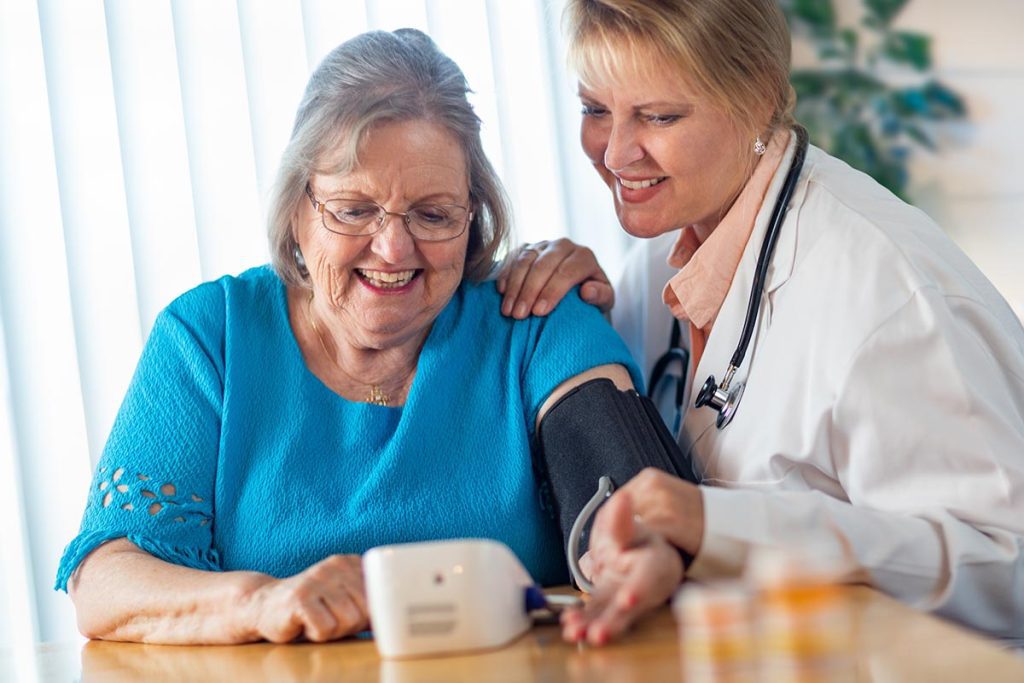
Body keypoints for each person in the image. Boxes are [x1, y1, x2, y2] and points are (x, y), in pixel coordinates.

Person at [55, 28, 641, 645]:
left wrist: (632, 557)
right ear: (297, 212)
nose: (393, 248)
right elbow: (104, 584)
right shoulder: (212, 335)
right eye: (354, 210)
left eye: (434, 214)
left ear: (475, 220)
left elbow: (632, 513)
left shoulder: (534, 317)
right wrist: (258, 604)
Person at [499, 0, 1024, 646]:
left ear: (757, 96)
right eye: (594, 109)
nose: (613, 152)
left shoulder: (886, 288)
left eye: (658, 116)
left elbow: (1006, 568)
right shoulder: (649, 272)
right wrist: (581, 316)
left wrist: (719, 525)